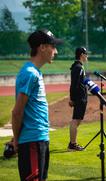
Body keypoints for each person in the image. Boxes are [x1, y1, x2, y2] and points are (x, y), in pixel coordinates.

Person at [12, 29, 62, 181]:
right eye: (53, 46)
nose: (56, 51)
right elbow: (17, 112)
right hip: (32, 141)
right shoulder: (30, 73)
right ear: (42, 47)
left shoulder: (36, 72)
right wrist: (16, 140)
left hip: (40, 139)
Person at [68, 47, 88, 151]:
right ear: (81, 54)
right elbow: (74, 84)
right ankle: (72, 144)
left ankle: (72, 142)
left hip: (81, 97)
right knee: (76, 120)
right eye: (86, 54)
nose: (87, 56)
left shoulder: (79, 67)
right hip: (79, 98)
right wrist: (72, 98)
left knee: (78, 120)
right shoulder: (78, 67)